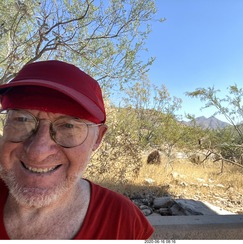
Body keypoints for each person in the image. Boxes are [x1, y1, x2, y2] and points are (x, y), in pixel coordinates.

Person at [0, 60, 154, 239]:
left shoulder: (124, 221)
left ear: (97, 138)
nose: (38, 152)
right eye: (22, 120)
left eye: (68, 126)